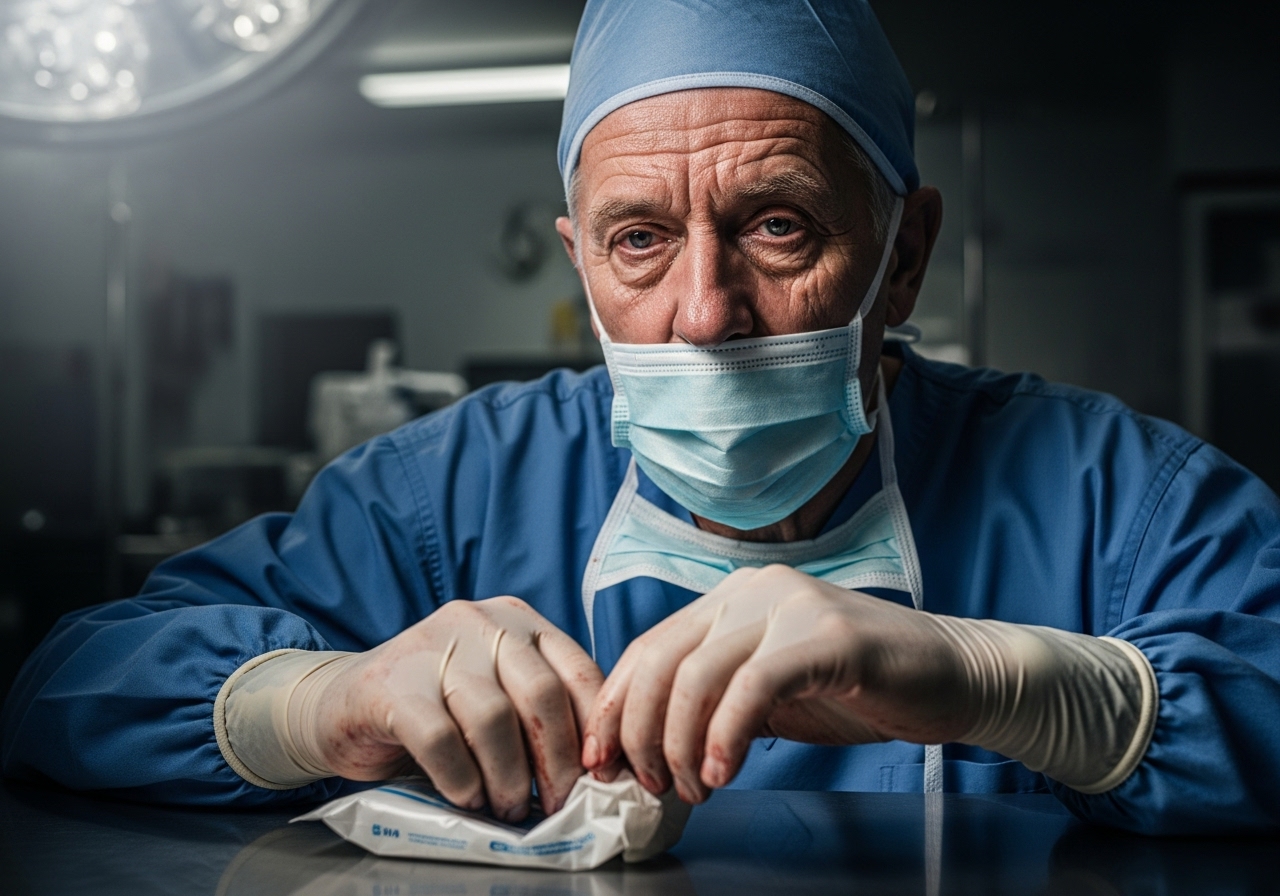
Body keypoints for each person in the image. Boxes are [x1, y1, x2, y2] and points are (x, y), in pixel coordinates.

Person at [4, 0, 1279, 836]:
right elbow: (68, 682)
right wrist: (322, 700)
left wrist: (1034, 689)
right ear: (578, 260)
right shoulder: (452, 495)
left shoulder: (1115, 495)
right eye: (638, 240)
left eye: (778, 224)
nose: (702, 310)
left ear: (902, 254)